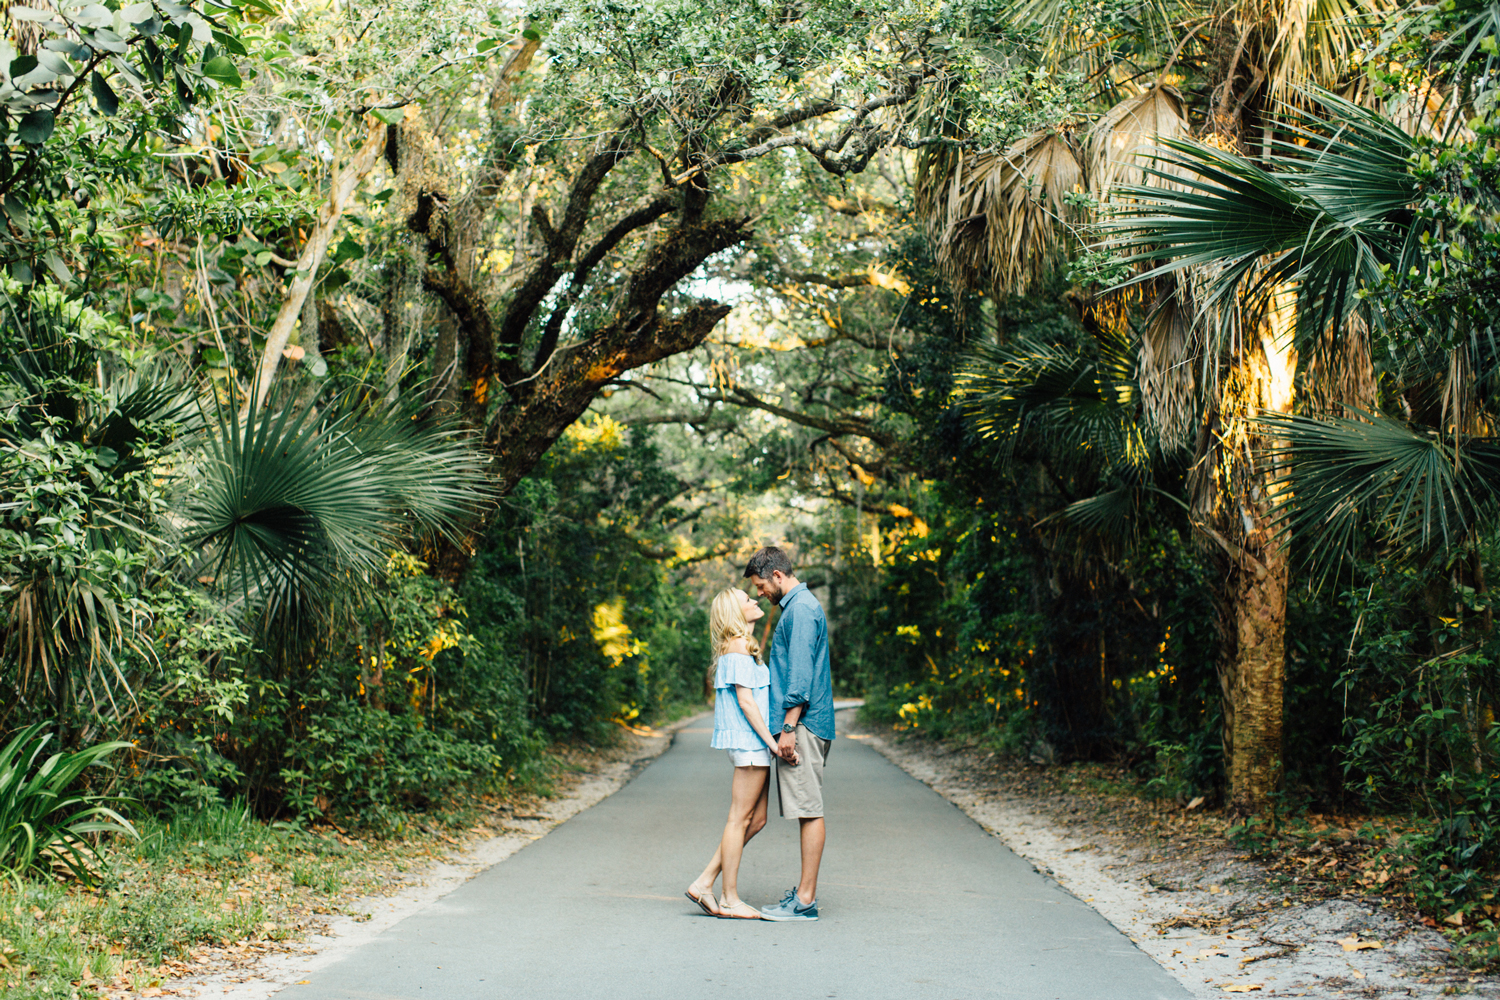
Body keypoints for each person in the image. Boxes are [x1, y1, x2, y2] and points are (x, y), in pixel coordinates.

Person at [685, 587, 794, 920]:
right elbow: (746, 702)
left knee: (756, 820)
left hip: (753, 744)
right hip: (750, 743)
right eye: (748, 599)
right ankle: (729, 898)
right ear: (735, 611)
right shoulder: (736, 647)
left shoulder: (742, 646)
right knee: (738, 819)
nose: (755, 601)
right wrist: (774, 744)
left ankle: (705, 882)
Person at [744, 545, 833, 922]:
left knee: (808, 810)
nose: (760, 593)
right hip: (805, 722)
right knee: (805, 808)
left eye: (761, 585)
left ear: (777, 576)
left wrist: (788, 728)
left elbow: (800, 677)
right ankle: (802, 895)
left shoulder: (800, 609)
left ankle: (805, 901)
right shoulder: (799, 608)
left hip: (804, 724)